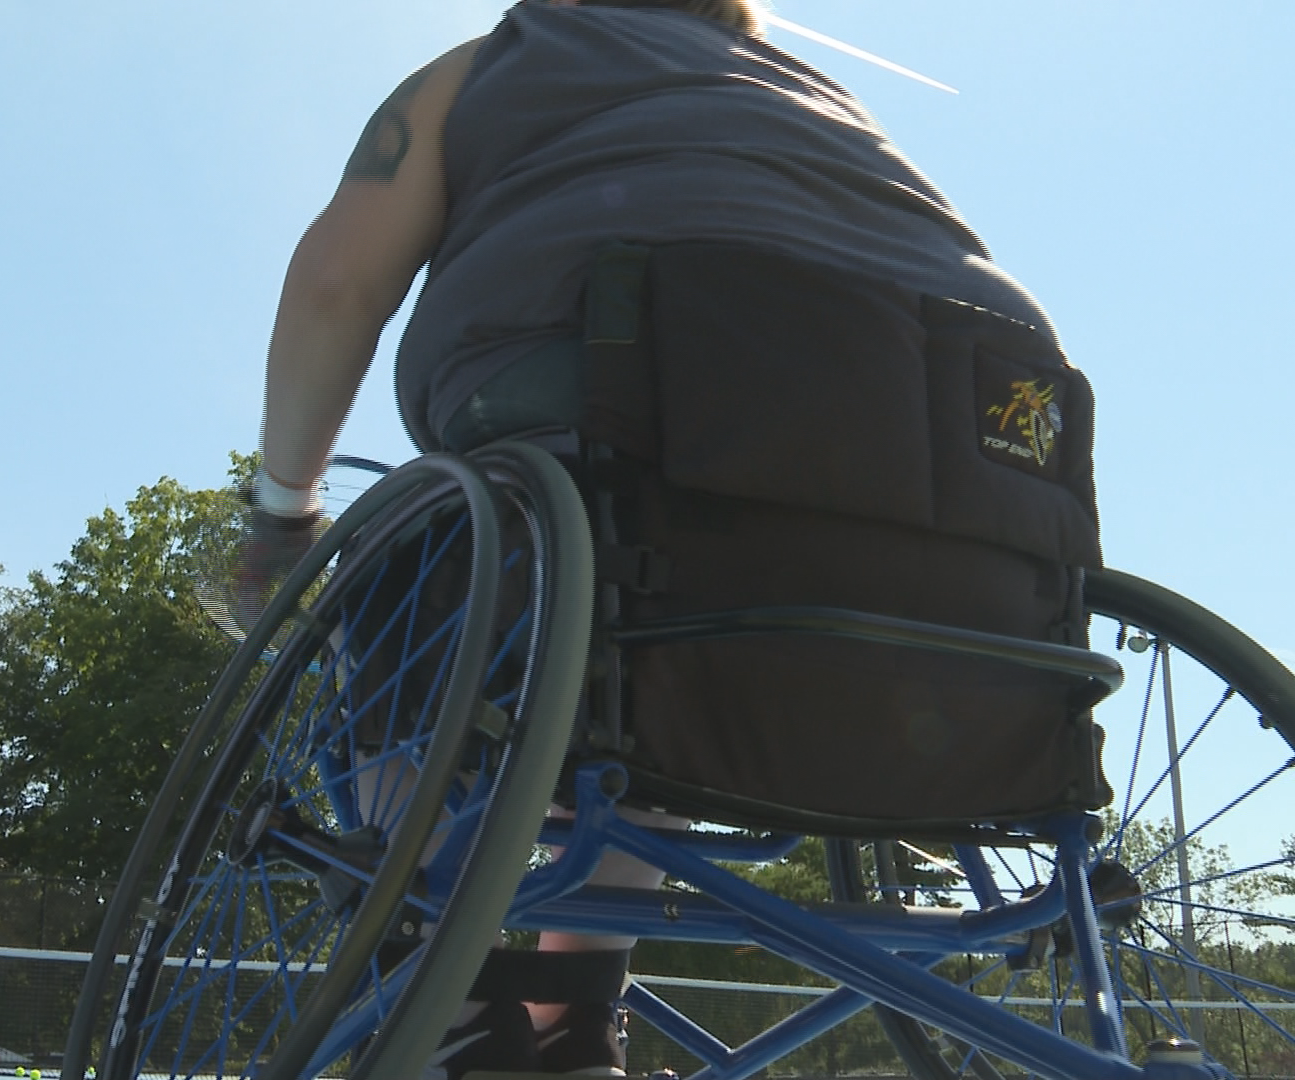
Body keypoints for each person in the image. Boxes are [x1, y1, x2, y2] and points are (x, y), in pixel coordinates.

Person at [242, 0, 1074, 1076]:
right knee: (666, 596)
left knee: (458, 569)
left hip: (638, 445)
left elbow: (335, 286)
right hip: (977, 509)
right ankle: (575, 1011)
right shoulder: (823, 100)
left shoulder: (495, 63)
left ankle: (438, 989)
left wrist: (280, 508)